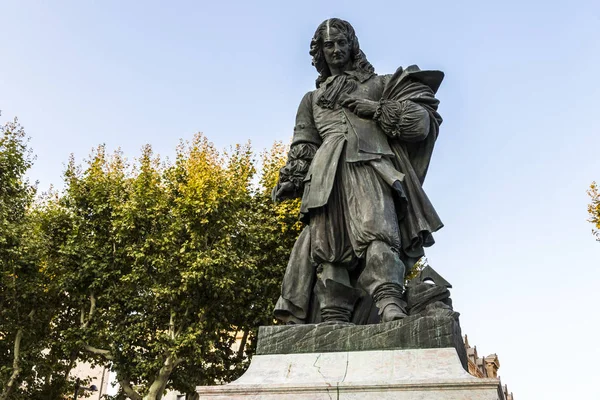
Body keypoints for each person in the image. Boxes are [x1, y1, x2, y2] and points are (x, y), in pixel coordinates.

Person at [272, 18, 444, 325]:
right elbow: (304, 145)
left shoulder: (378, 85)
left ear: (353, 45)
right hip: (324, 175)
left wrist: (376, 110)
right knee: (329, 249)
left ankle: (390, 301)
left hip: (369, 164)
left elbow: (420, 122)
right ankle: (333, 314)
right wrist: (292, 178)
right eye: (328, 45)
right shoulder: (311, 100)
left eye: (341, 43)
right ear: (319, 53)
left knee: (377, 231)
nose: (335, 50)